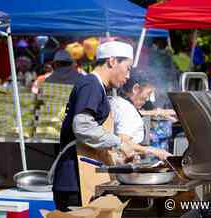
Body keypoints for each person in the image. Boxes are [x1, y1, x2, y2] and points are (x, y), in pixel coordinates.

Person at [52, 41, 169, 211]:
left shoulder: (97, 87)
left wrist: (116, 158)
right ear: (112, 61)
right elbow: (83, 127)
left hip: (82, 176)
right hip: (74, 180)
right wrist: (120, 144)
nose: (128, 76)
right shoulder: (91, 84)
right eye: (127, 68)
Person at [110, 73, 173, 159]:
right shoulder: (127, 109)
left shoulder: (117, 102)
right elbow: (124, 142)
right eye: (148, 93)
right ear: (136, 89)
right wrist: (153, 151)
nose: (147, 99)